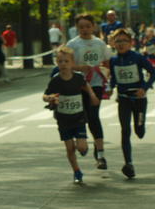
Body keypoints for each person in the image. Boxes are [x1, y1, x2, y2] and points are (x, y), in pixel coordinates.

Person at [43, 47, 100, 183]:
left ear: (72, 63)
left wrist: (92, 95)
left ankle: (84, 147)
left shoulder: (78, 77)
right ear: (57, 63)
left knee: (81, 147)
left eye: (66, 61)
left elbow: (86, 85)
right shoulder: (55, 80)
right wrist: (49, 98)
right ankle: (76, 171)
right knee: (70, 148)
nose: (63, 64)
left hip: (78, 117)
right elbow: (45, 95)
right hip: (63, 119)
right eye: (60, 61)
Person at [66, 13, 112, 169]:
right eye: (81, 27)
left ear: (93, 27)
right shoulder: (72, 44)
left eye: (87, 26)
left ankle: (100, 154)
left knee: (93, 117)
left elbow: (107, 63)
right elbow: (66, 64)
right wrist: (80, 68)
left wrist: (108, 82)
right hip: (78, 85)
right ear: (76, 28)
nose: (85, 29)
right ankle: (82, 142)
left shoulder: (100, 43)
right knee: (81, 117)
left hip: (96, 84)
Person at [108, 28, 155, 178]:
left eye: (124, 41)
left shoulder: (138, 57)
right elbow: (114, 78)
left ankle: (140, 126)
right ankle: (128, 163)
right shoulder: (113, 60)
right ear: (113, 43)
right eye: (118, 41)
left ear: (130, 43)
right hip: (123, 99)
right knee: (125, 130)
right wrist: (109, 88)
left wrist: (144, 88)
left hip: (139, 99)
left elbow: (153, 72)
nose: (121, 44)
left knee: (139, 131)